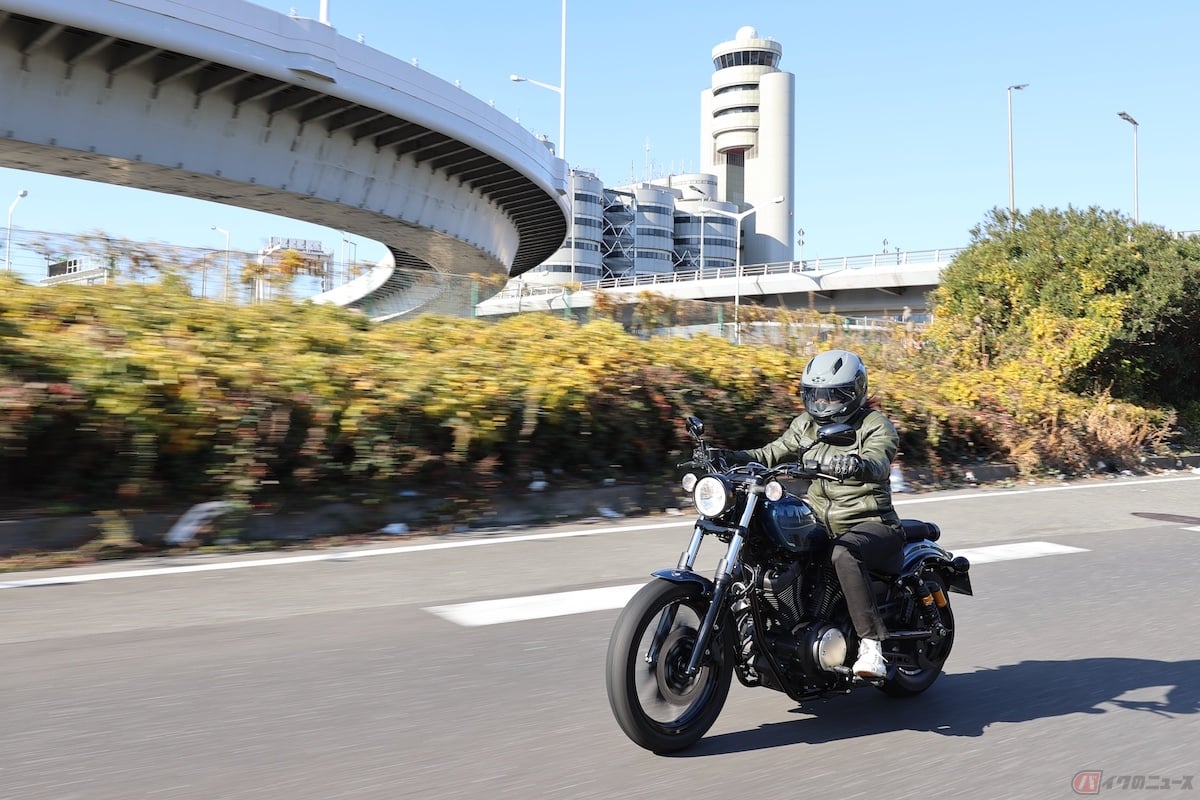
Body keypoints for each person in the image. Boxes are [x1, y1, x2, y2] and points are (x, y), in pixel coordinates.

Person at [725, 349, 903, 679]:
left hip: (871, 522)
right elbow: (769, 454)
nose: (821, 404)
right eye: (814, 395)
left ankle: (871, 647)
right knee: (766, 540)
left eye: (831, 396)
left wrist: (859, 463)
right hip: (820, 518)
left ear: (853, 393)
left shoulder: (875, 425)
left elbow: (880, 460)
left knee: (844, 553)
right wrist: (728, 456)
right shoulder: (806, 425)